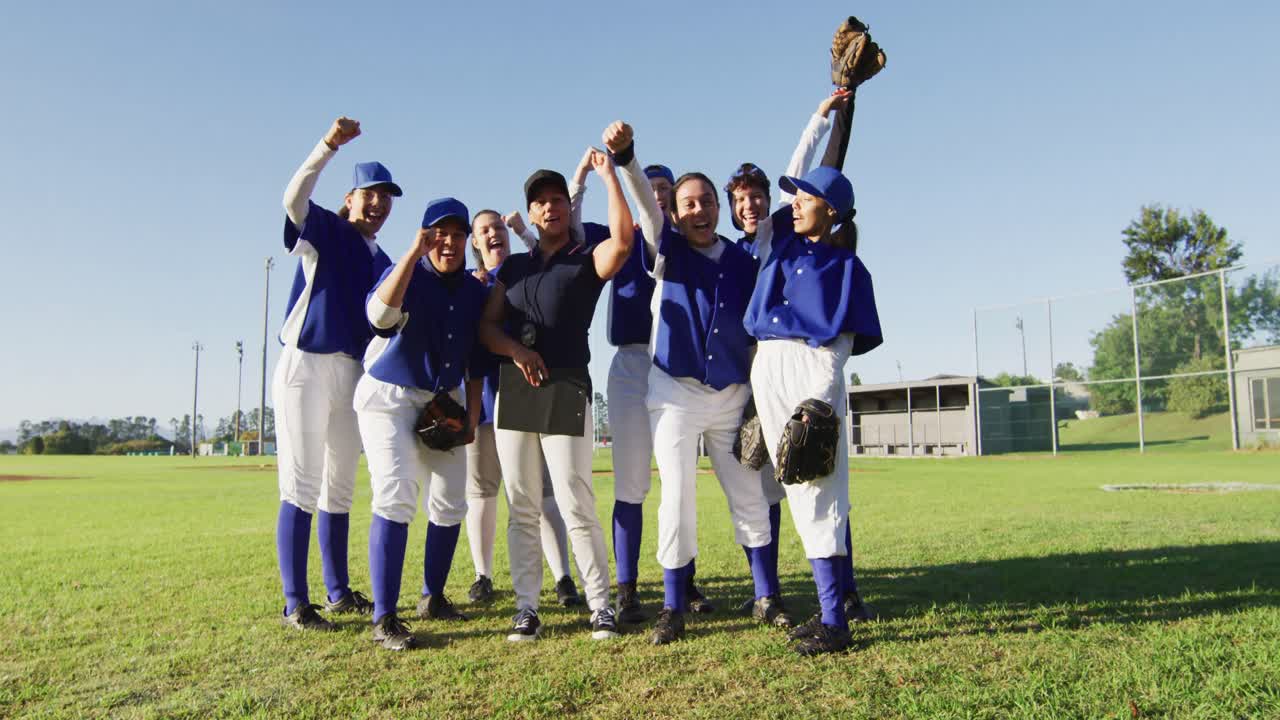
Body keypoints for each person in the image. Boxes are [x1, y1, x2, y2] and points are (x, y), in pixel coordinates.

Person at [606, 122, 779, 644]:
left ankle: (766, 594)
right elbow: (643, 207)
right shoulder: (667, 250)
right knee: (676, 496)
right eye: (688, 204)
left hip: (730, 396)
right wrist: (628, 159)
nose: (698, 210)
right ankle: (674, 605)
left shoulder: (743, 260)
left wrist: (757, 400)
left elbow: (753, 336)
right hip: (675, 395)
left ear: (718, 210)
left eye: (706, 201)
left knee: (748, 493)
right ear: (675, 215)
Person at [723, 90, 878, 624]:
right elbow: (796, 168)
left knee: (819, 492)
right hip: (767, 365)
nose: (794, 202)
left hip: (812, 368)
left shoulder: (849, 268)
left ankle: (835, 616)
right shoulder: (782, 243)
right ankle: (832, 610)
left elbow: (840, 346)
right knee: (796, 489)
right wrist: (817, 116)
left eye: (805, 198)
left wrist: (818, 397)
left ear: (829, 210)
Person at [478, 149, 635, 642]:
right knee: (522, 503)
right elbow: (487, 327)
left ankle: (600, 606)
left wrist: (609, 177)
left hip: (567, 385)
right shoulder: (514, 267)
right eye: (540, 202)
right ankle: (527, 608)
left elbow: (625, 243)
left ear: (569, 208)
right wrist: (515, 352)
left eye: (558, 201)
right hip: (516, 390)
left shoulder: (585, 259)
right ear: (532, 211)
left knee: (574, 500)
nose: (550, 209)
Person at [562, 151, 715, 623]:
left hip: (676, 367)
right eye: (646, 188)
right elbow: (567, 225)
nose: (655, 195)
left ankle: (684, 579)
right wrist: (583, 178)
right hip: (630, 363)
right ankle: (626, 588)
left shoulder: (687, 245)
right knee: (631, 483)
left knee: (679, 484)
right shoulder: (616, 235)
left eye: (663, 190)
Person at [275, 116, 395, 630]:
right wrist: (326, 147)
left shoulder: (383, 258)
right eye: (369, 194)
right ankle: (295, 602)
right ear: (350, 199)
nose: (377, 204)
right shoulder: (327, 228)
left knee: (340, 486)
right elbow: (292, 200)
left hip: (352, 374)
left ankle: (338, 592)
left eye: (386, 198)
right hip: (305, 363)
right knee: (301, 483)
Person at [355, 197, 489, 650]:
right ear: (426, 235)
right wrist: (412, 256)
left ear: (466, 239)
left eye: (457, 234)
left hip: (443, 399)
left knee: (452, 499)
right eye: (439, 233)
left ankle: (432, 596)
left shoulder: (475, 290)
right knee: (395, 494)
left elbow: (475, 363)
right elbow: (378, 318)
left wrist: (472, 416)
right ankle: (384, 618)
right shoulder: (405, 271)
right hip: (390, 398)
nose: (448, 242)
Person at [464, 209, 581, 607]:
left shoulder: (524, 271)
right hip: (486, 398)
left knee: (544, 491)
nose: (493, 233)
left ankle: (563, 576)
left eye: (498, 227)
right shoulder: (470, 285)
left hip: (534, 392)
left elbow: (554, 256)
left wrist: (519, 227)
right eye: (484, 230)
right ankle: (483, 576)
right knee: (483, 487)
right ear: (475, 243)